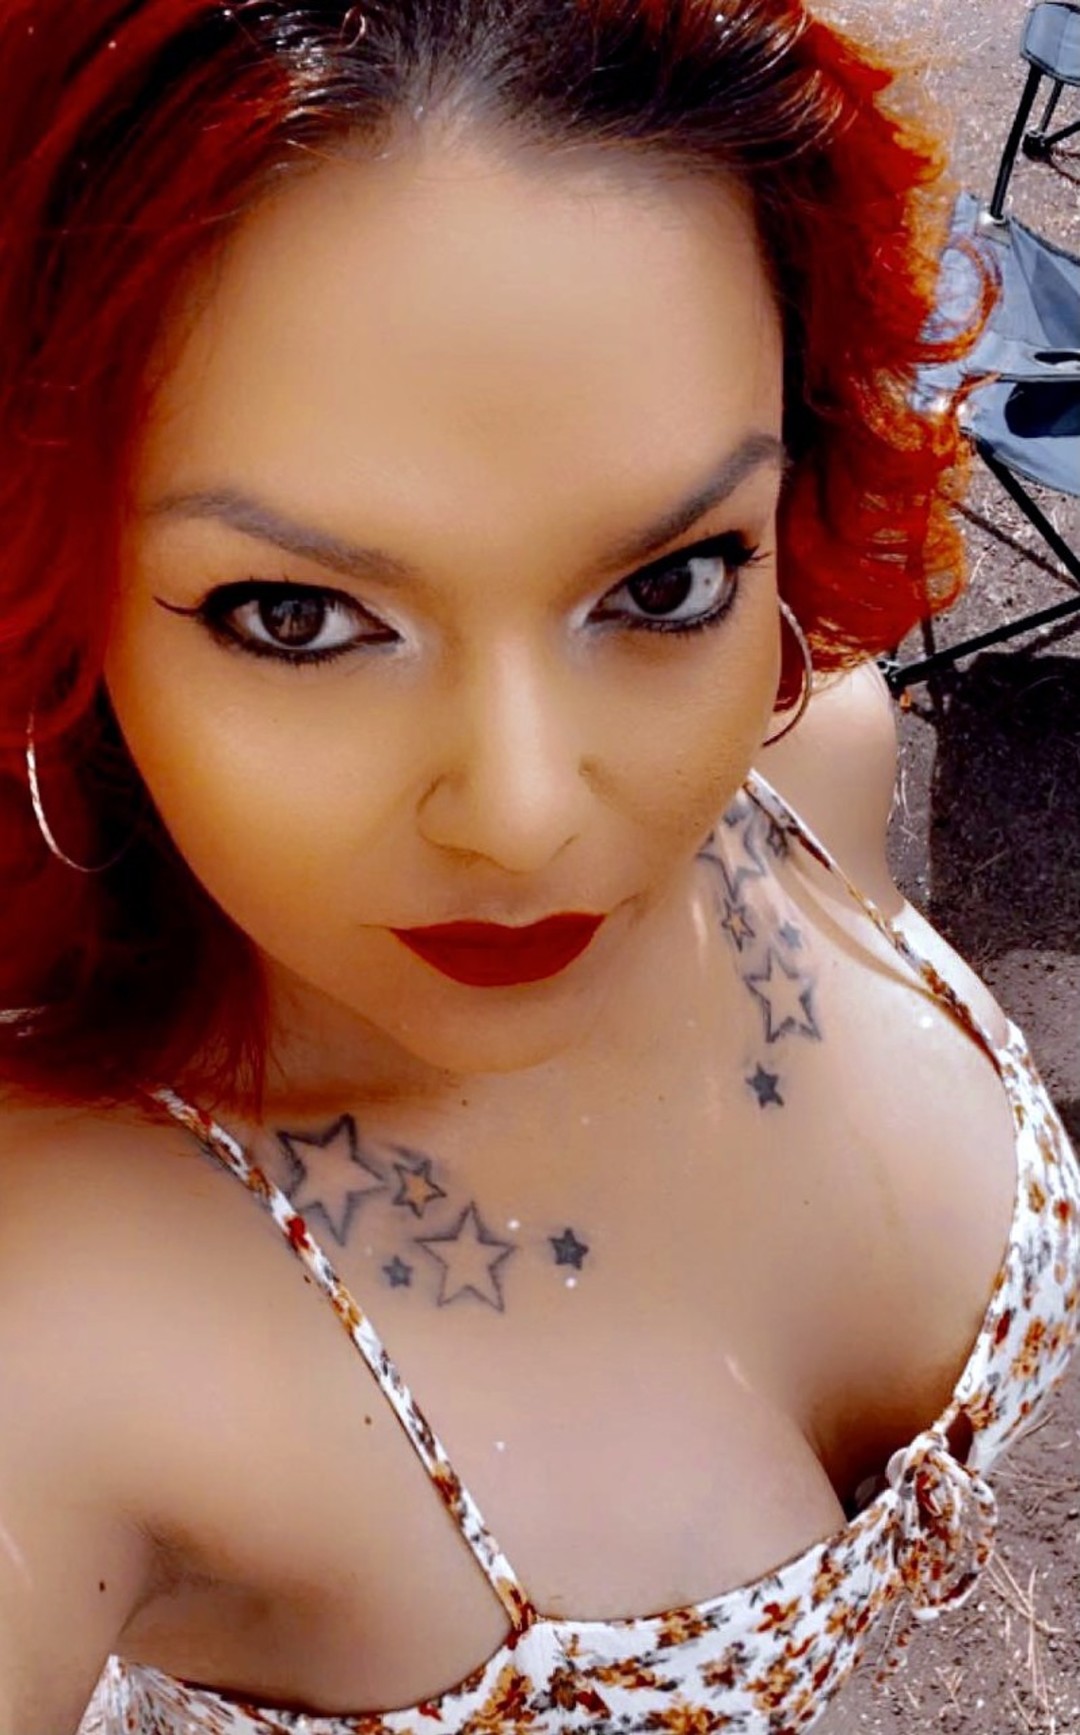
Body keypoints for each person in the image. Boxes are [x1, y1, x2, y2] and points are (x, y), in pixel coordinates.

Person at [0, 1, 1077, 1731]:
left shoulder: (817, 752)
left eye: (664, 583)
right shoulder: (50, 1310)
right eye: (298, 617)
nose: (524, 815)